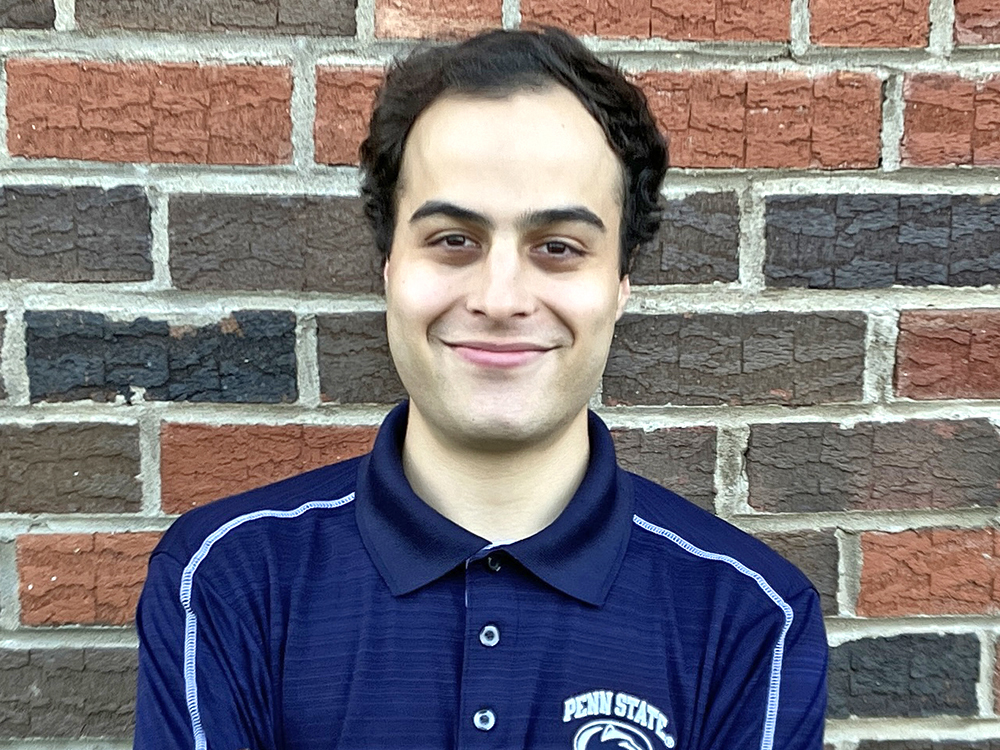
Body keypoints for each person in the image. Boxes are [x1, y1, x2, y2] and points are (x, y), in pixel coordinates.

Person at [133, 27, 827, 750]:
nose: (500, 299)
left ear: (621, 284)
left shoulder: (748, 618)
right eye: (453, 240)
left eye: (558, 247)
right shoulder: (226, 580)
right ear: (390, 268)